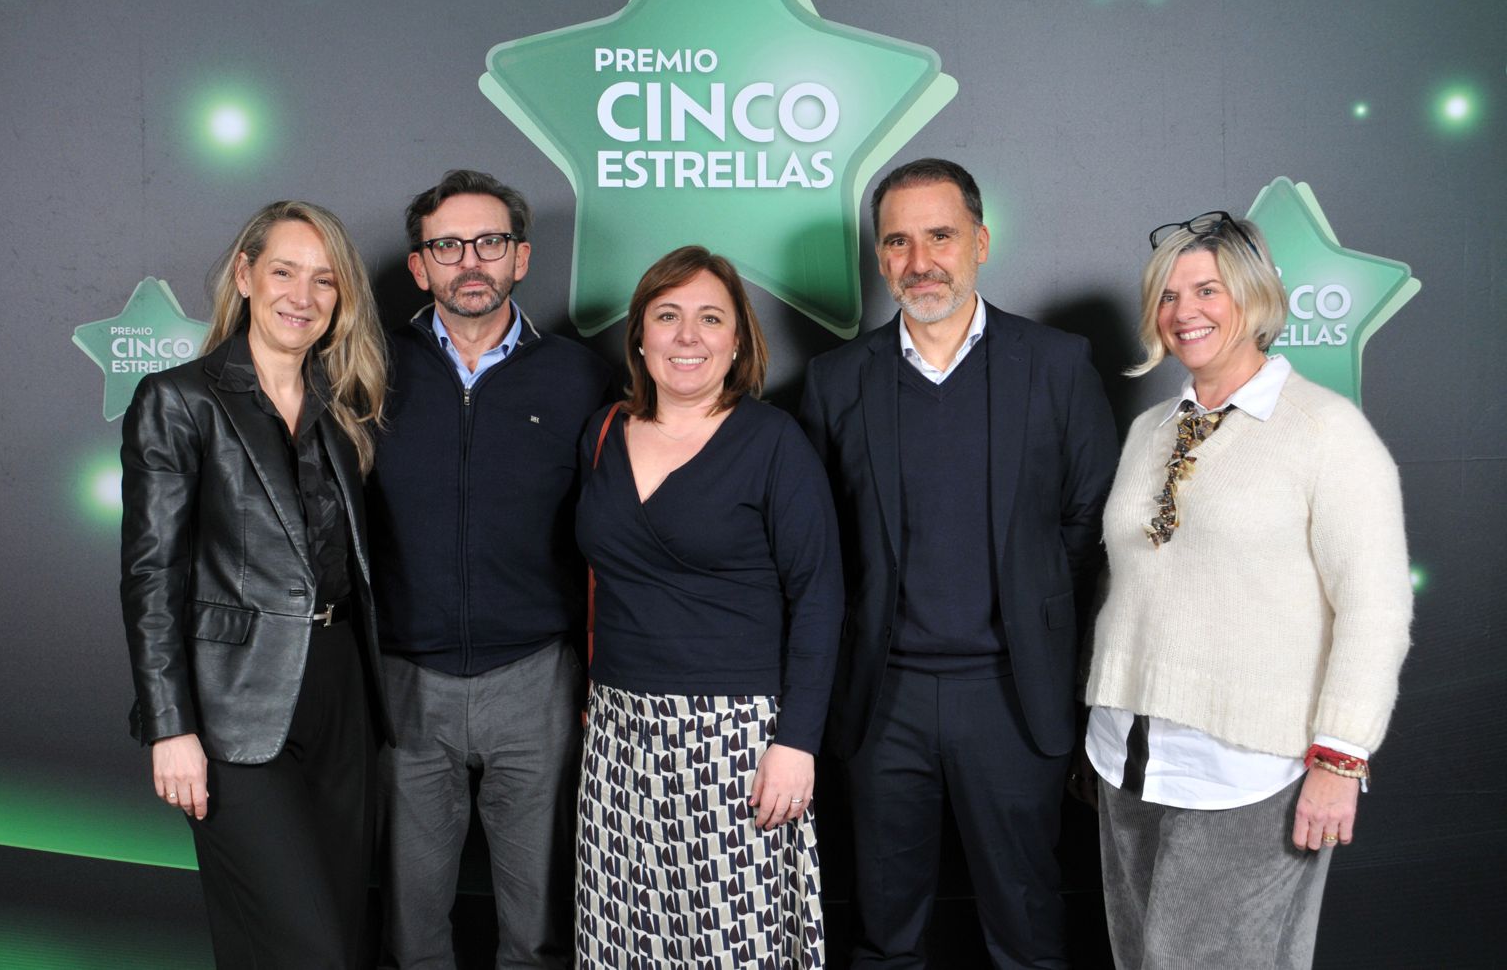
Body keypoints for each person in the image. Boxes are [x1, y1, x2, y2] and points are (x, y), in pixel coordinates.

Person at [799, 158, 1118, 968]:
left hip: (1013, 697)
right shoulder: (836, 382)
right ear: (879, 257)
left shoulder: (1056, 365)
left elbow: (1088, 525)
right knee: (885, 930)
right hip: (882, 702)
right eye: (897, 242)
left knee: (1026, 930)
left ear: (980, 241)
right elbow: (819, 547)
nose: (919, 261)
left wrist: (1035, 619)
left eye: (939, 236)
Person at [1082, 211, 1413, 969]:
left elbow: (1376, 607)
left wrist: (1340, 758)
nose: (1184, 312)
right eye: (1168, 296)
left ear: (1256, 297)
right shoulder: (1150, 430)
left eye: (1207, 290)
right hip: (1127, 760)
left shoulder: (1326, 431)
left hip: (1249, 769)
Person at [120, 200, 393, 967]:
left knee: (338, 938)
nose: (303, 296)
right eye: (284, 272)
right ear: (244, 276)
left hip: (342, 692)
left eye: (325, 280)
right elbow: (151, 577)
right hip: (233, 706)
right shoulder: (180, 400)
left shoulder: (342, 407)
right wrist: (170, 727)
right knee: (310, 949)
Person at [367, 169, 617, 969]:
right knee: (410, 929)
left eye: (489, 242)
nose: (469, 261)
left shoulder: (580, 377)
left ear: (521, 257)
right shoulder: (366, 370)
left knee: (539, 928)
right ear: (419, 267)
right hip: (406, 682)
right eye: (447, 246)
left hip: (536, 680)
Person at [574, 247, 843, 968]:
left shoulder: (774, 443)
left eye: (710, 318)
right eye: (667, 316)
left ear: (738, 341)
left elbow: (819, 597)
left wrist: (798, 743)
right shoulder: (600, 434)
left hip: (737, 738)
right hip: (620, 732)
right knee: (625, 935)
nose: (687, 336)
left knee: (731, 940)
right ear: (639, 336)